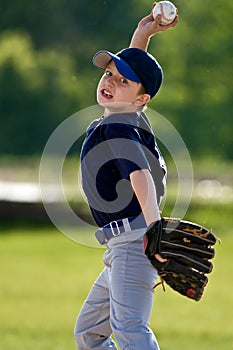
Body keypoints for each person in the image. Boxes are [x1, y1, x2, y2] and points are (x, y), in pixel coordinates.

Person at [74, 4, 178, 350]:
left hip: (136, 241)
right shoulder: (131, 118)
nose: (110, 83)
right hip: (124, 245)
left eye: (122, 81)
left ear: (140, 98)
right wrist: (142, 36)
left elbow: (140, 176)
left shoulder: (118, 125)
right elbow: (135, 80)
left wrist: (156, 231)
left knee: (130, 330)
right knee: (90, 333)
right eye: (109, 75)